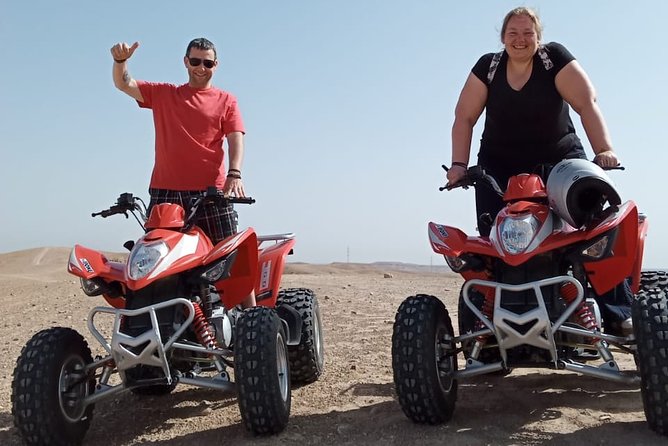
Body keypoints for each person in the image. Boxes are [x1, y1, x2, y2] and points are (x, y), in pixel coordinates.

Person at [447, 7, 631, 335]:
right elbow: (464, 116)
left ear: (539, 37)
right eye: (513, 33)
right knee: (494, 244)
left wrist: (603, 150)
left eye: (527, 33)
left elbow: (586, 103)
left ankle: (617, 313)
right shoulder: (488, 67)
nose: (520, 40)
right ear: (502, 37)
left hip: (560, 162)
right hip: (499, 168)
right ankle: (488, 324)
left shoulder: (553, 59)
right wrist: (459, 166)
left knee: (593, 231)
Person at [110, 37, 256, 308]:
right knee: (157, 261)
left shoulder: (226, 100)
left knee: (231, 259)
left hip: (211, 193)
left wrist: (234, 174)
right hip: (165, 195)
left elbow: (236, 137)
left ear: (216, 65)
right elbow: (124, 83)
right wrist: (121, 62)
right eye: (196, 61)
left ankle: (254, 325)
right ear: (186, 61)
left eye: (208, 63)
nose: (201, 68)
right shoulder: (165, 94)